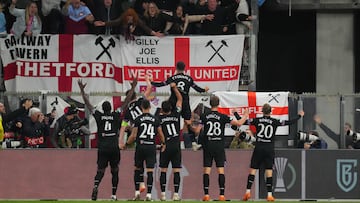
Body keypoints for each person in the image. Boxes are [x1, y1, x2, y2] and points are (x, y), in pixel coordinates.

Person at [78, 78, 137, 201]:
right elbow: (126, 102)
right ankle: (114, 195)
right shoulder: (116, 115)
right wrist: (133, 87)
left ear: (103, 109)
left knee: (100, 170)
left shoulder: (98, 115)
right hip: (114, 147)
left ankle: (95, 185)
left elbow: (88, 105)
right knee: (115, 171)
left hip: (103, 147)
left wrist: (82, 91)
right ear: (110, 108)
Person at [242, 103, 304, 202]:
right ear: (271, 112)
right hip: (269, 149)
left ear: (262, 111)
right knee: (269, 171)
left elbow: (244, 122)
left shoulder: (257, 120)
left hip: (259, 148)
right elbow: (289, 122)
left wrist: (237, 114)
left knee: (253, 170)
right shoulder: (275, 121)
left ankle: (247, 192)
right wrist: (299, 116)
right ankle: (269, 195)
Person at [194, 95, 249, 201]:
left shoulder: (204, 116)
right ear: (218, 104)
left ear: (210, 104)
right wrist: (245, 115)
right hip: (219, 145)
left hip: (208, 144)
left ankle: (206, 195)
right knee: (221, 170)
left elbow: (197, 131)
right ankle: (222, 195)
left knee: (207, 170)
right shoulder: (223, 116)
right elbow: (239, 123)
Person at [151, 61, 209, 150]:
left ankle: (168, 140)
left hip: (174, 102)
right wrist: (204, 90)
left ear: (176, 68)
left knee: (171, 119)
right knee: (188, 122)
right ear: (184, 68)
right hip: (185, 102)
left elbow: (161, 84)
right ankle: (193, 142)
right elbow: (197, 89)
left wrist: (152, 82)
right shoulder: (189, 79)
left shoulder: (172, 78)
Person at [118, 76, 153, 197]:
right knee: (148, 163)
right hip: (148, 132)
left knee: (138, 162)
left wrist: (120, 142)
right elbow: (149, 88)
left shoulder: (127, 111)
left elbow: (123, 127)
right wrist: (148, 80)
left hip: (136, 133)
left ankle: (141, 184)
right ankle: (146, 190)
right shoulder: (141, 101)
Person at [126, 99, 166, 201]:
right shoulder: (155, 119)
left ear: (141, 107)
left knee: (137, 169)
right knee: (150, 171)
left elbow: (134, 136)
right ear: (150, 107)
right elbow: (160, 134)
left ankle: (137, 193)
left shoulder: (138, 119)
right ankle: (148, 195)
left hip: (141, 146)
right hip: (151, 147)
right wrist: (163, 143)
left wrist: (126, 144)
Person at [158, 82, 183, 201]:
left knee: (163, 170)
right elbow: (180, 99)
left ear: (162, 109)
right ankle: (176, 194)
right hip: (176, 146)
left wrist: (163, 143)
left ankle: (163, 194)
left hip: (166, 146)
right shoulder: (177, 115)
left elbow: (160, 132)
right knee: (176, 170)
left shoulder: (160, 118)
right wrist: (174, 88)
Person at [94, 8, 163, 40]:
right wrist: (104, 23)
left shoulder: (137, 20)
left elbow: (146, 28)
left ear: (134, 17)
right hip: (123, 36)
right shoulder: (122, 19)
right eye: (128, 17)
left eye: (131, 17)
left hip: (134, 36)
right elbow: (114, 22)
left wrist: (155, 33)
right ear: (125, 16)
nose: (130, 19)